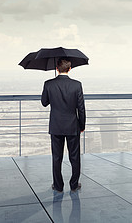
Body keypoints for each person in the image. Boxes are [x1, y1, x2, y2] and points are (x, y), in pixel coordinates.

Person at [41, 58, 86, 192]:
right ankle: (74, 185)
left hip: (56, 126)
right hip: (73, 126)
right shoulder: (77, 85)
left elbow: (44, 102)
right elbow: (81, 108)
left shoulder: (48, 84)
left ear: (56, 68)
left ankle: (58, 186)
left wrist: (50, 91)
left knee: (56, 157)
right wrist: (82, 125)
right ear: (70, 69)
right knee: (74, 157)